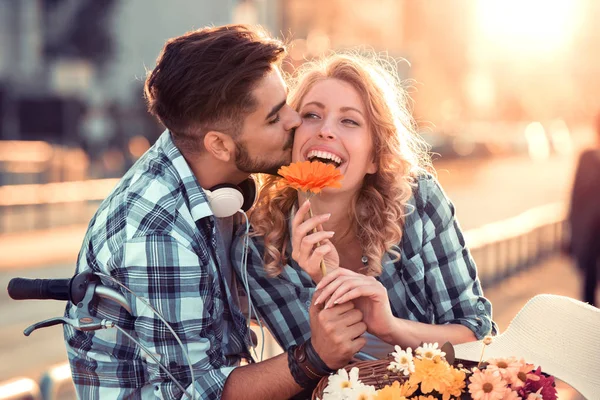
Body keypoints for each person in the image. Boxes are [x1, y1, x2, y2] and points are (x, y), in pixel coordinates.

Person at [64, 25, 367, 399]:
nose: (295, 120)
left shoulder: (218, 182)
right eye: (274, 118)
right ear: (220, 145)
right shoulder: (157, 236)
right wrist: (314, 357)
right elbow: (200, 393)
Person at [233, 53, 497, 359]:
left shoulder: (418, 201)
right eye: (312, 115)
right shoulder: (259, 247)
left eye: (349, 120)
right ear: (290, 137)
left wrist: (389, 326)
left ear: (374, 158)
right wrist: (326, 282)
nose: (326, 130)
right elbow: (323, 378)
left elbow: (479, 337)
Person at [568, 113, 600, 307]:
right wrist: (570, 234)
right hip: (589, 232)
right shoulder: (587, 157)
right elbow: (574, 197)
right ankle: (587, 322)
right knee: (588, 279)